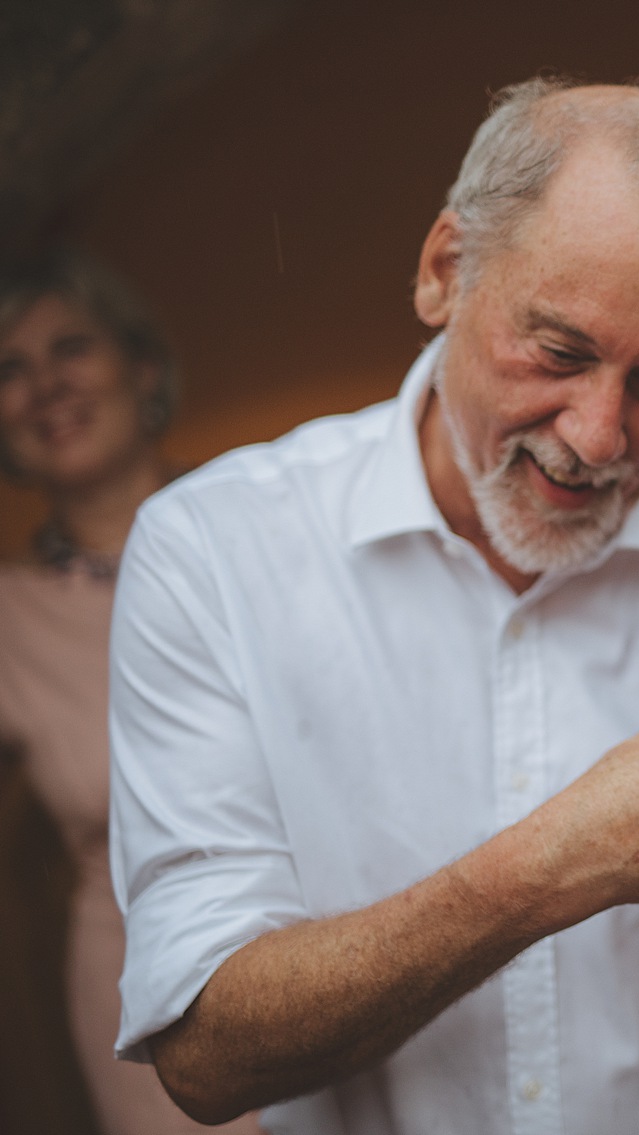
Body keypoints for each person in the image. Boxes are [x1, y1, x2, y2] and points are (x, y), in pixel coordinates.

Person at [107, 78, 639, 1134]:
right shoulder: (213, 551)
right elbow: (207, 1056)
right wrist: (555, 866)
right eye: (559, 353)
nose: (596, 436)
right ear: (445, 272)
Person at [0, 252, 262, 1134]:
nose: (45, 387)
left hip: (344, 952)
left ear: (142, 369)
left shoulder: (264, 526)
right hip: (148, 1016)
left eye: (70, 347)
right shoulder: (9, 616)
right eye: (9, 369)